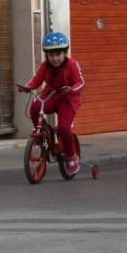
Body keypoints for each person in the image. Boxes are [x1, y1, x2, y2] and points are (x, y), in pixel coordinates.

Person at [18, 31, 85, 175]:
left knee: (64, 128)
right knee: (35, 107)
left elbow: (81, 82)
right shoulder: (45, 67)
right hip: (51, 95)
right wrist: (27, 87)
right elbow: (36, 80)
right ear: (46, 56)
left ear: (65, 53)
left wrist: (71, 89)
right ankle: (42, 131)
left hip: (68, 99)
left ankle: (71, 155)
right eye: (51, 55)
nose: (55, 59)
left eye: (58, 54)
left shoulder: (72, 64)